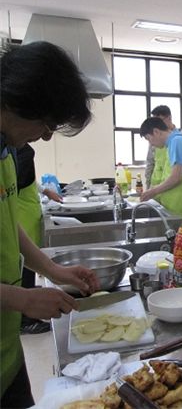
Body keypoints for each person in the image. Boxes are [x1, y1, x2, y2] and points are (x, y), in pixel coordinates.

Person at [1, 41, 99, 407]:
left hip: (7, 357)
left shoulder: (6, 152)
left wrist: (53, 270)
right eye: (45, 123)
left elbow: (8, 226)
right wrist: (23, 299)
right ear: (14, 101)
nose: (45, 135)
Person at [17, 144, 62, 335]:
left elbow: (29, 182)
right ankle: (26, 320)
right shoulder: (22, 152)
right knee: (21, 266)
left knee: (25, 265)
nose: (46, 137)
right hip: (21, 216)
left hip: (25, 215)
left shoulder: (16, 151)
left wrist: (44, 190)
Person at [139, 117, 182, 227]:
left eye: (149, 139)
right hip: (174, 206)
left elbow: (176, 177)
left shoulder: (177, 141)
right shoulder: (171, 144)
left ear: (156, 132)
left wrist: (153, 191)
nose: (151, 144)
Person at [147, 105, 182, 190]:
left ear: (169, 118)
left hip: (177, 190)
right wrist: (148, 187)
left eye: (159, 121)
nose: (156, 125)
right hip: (157, 190)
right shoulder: (154, 138)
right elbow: (150, 163)